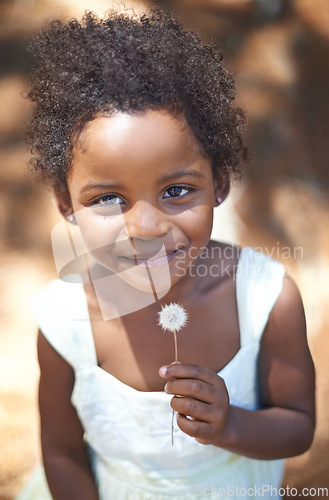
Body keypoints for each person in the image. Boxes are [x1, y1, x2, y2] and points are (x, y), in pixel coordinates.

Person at [19, 7, 315, 500]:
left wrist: (231, 426)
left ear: (219, 183)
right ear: (65, 203)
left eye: (177, 190)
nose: (147, 227)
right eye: (107, 199)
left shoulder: (267, 299)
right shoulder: (64, 320)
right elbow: (62, 454)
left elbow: (299, 427)